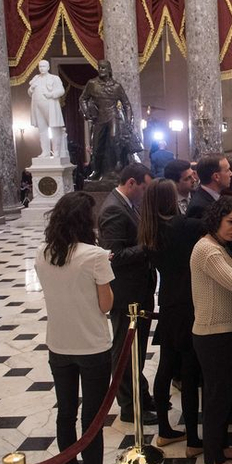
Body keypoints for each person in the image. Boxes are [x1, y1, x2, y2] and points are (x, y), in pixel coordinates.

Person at [34, 193, 130, 464]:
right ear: (84, 220)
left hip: (58, 344)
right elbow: (106, 305)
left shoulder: (43, 252)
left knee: (66, 413)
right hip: (91, 345)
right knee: (93, 420)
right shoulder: (95, 256)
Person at [191, 197, 232, 464]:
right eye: (230, 222)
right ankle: (215, 460)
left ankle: (221, 446)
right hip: (213, 334)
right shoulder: (207, 249)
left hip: (226, 330)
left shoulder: (219, 246)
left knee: (224, 395)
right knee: (217, 398)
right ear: (217, 218)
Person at [138, 179, 205, 455]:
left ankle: (164, 429)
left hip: (166, 300)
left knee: (166, 364)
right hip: (188, 301)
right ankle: (192, 439)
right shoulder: (181, 226)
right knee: (189, 371)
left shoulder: (150, 229)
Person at [97, 163, 157, 425]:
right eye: (144, 187)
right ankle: (128, 404)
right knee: (125, 347)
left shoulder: (128, 205)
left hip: (139, 288)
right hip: (125, 291)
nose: (145, 193)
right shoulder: (113, 209)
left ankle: (140, 392)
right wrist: (147, 246)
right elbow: (113, 256)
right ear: (132, 183)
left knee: (137, 347)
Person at [79, 60, 138, 181]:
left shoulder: (116, 86)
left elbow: (127, 104)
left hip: (113, 116)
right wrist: (87, 113)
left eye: (104, 68)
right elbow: (83, 99)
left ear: (109, 70)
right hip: (99, 117)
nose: (101, 70)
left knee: (114, 139)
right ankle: (96, 170)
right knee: (96, 145)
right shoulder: (92, 84)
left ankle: (118, 165)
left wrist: (129, 122)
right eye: (99, 68)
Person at [28, 60, 67, 158]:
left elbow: (61, 90)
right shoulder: (36, 78)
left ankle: (56, 151)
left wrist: (51, 94)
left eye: (44, 66)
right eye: (40, 66)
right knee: (42, 130)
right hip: (37, 106)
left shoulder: (54, 78)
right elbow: (30, 92)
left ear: (48, 67)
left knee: (54, 129)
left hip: (50, 105)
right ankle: (45, 151)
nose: (42, 68)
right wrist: (31, 89)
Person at [186, 154, 232, 219]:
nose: (231, 173)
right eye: (227, 170)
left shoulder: (217, 197)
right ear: (216, 177)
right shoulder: (199, 208)